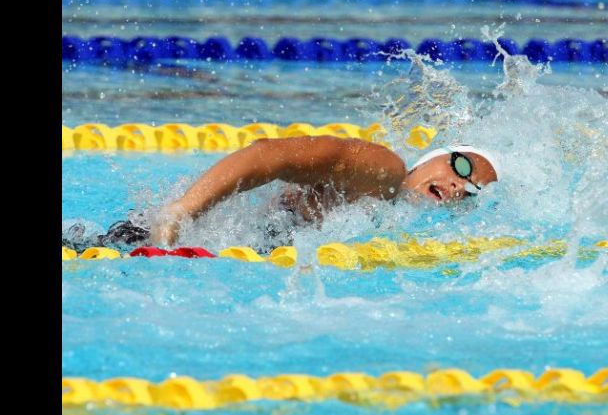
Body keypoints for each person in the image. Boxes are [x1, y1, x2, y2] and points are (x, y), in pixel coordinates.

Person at [63, 136, 500, 252]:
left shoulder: (395, 220)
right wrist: (179, 212)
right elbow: (271, 155)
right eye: (462, 165)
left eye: (473, 190)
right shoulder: (383, 170)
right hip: (174, 237)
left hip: (244, 251)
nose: (461, 184)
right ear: (432, 157)